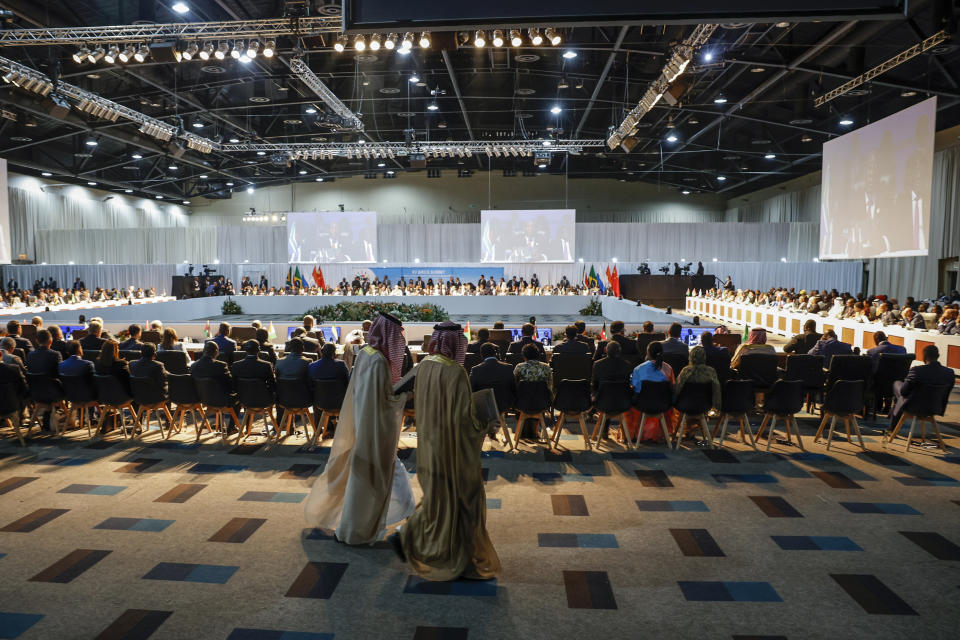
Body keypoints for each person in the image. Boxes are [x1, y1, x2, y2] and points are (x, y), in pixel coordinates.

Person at [397, 322, 500, 581]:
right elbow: (465, 419)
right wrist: (485, 420)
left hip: (431, 442)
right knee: (465, 498)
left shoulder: (426, 364)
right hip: (453, 446)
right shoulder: (455, 371)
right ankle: (458, 557)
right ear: (456, 343)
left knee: (437, 497)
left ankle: (418, 540)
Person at [304, 312, 415, 545]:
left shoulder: (366, 354)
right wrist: (405, 394)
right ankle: (360, 529)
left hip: (365, 422)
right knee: (377, 477)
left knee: (387, 475)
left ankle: (407, 516)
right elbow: (384, 399)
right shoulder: (378, 361)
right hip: (374, 427)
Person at [889, 345, 956, 432]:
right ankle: (893, 415)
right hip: (935, 407)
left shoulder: (917, 371)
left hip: (914, 407)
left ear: (924, 357)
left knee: (898, 386)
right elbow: (947, 393)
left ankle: (892, 422)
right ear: (938, 356)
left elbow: (904, 392)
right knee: (903, 395)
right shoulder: (949, 373)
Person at [629, 341, 676, 442]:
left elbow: (636, 389)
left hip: (643, 405)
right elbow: (672, 388)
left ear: (648, 352)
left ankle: (634, 435)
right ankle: (660, 434)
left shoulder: (638, 369)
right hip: (663, 405)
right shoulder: (668, 368)